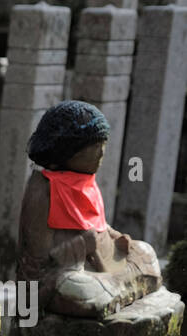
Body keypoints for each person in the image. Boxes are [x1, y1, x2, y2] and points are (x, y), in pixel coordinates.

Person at [17, 100, 161, 318]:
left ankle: (115, 289)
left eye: (103, 146)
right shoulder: (42, 189)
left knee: (145, 251)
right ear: (68, 151)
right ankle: (121, 287)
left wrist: (116, 237)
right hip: (59, 275)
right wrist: (83, 244)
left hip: (96, 265)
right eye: (94, 148)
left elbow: (96, 224)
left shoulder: (85, 182)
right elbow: (39, 260)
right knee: (80, 289)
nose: (101, 154)